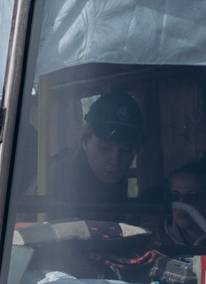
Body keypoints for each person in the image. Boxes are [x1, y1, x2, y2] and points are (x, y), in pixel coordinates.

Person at [44, 88, 151, 226]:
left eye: (126, 150)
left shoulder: (117, 183)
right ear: (86, 141)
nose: (115, 160)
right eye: (104, 148)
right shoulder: (55, 181)